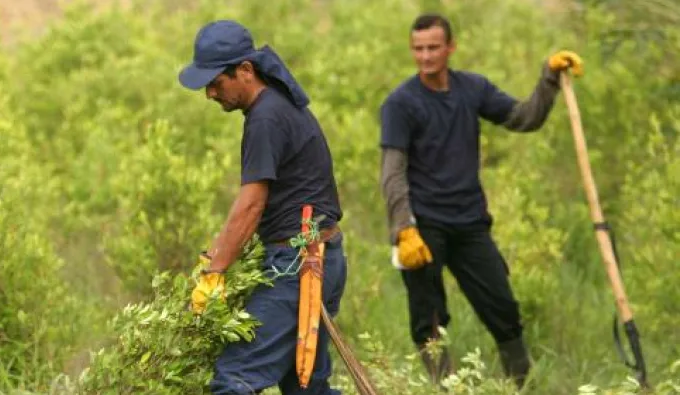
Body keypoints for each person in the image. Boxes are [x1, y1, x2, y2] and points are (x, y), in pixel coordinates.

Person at [379, 13, 583, 388]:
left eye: (433, 48)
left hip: (470, 222)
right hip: (423, 227)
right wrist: (403, 228)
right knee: (429, 320)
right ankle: (449, 387)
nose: (425, 56)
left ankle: (521, 385)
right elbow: (392, 172)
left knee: (503, 310)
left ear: (450, 47)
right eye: (418, 49)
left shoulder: (472, 89)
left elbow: (523, 119)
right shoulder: (401, 103)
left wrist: (549, 77)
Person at [179, 20, 347, 395]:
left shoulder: (266, 117)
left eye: (215, 82)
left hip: (297, 267)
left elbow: (252, 203)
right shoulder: (278, 106)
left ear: (245, 71)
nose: (209, 93)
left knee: (233, 380)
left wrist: (215, 273)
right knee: (306, 388)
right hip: (319, 258)